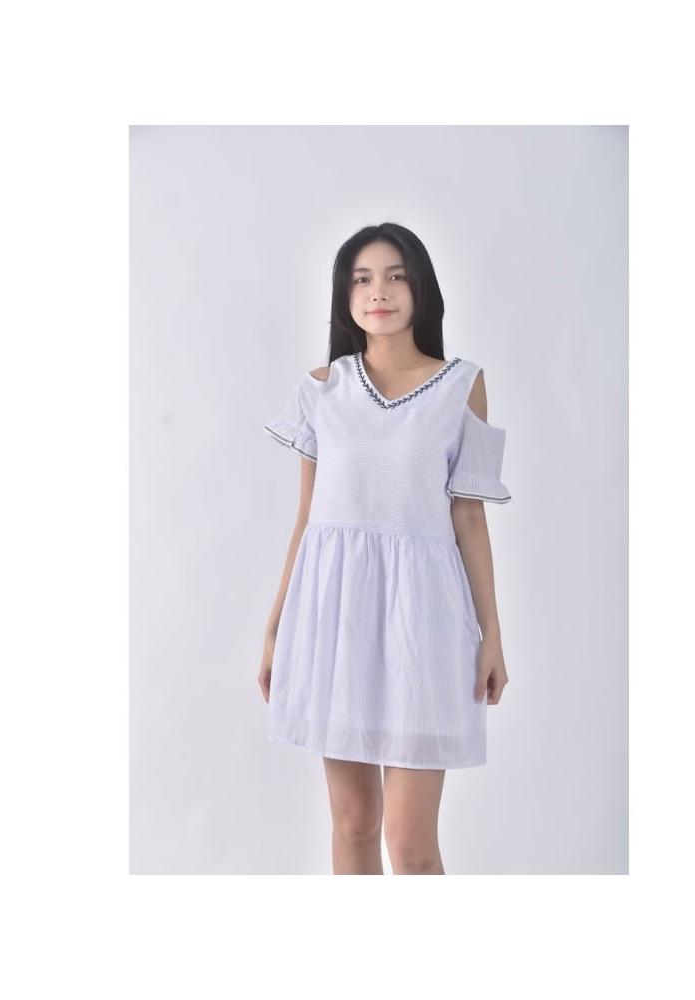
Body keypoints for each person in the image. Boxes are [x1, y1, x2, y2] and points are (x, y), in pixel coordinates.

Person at [258, 222, 512, 874]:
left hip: (424, 621)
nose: (380, 292)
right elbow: (306, 518)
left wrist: (492, 635)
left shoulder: (461, 385)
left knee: (410, 844)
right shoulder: (322, 387)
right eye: (363, 279)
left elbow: (469, 517)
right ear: (345, 295)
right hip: (332, 619)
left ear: (420, 288)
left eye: (396, 276)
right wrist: (277, 625)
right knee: (353, 823)